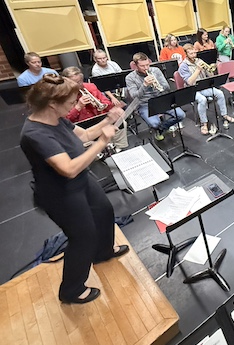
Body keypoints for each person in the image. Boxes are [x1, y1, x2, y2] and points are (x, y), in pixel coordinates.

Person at [19, 74, 129, 304]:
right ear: (52, 104)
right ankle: (71, 290)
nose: (74, 105)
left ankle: (104, 252)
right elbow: (67, 168)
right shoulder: (35, 134)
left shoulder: (57, 120)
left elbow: (86, 135)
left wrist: (108, 120)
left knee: (104, 212)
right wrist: (103, 143)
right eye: (70, 102)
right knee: (83, 237)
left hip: (81, 180)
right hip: (60, 193)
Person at [61, 67, 128, 150]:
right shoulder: (63, 96)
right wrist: (78, 107)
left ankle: (120, 148)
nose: (79, 84)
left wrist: (103, 104)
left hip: (98, 119)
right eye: (75, 82)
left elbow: (107, 102)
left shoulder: (90, 87)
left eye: (80, 81)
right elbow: (65, 120)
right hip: (81, 126)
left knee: (121, 122)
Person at [126, 52, 186, 141]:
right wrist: (145, 85)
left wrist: (157, 82)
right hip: (145, 104)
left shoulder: (155, 70)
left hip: (161, 100)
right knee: (155, 124)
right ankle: (159, 127)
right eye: (142, 66)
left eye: (147, 65)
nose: (146, 68)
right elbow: (135, 96)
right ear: (135, 65)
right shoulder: (130, 77)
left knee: (181, 115)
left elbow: (167, 87)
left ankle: (161, 129)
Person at [179, 44, 234, 134]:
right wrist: (198, 70)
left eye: (195, 53)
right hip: (191, 90)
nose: (194, 55)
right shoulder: (183, 66)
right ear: (186, 54)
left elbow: (209, 76)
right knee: (202, 100)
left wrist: (210, 71)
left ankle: (224, 114)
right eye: (191, 54)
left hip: (203, 86)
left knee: (220, 93)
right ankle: (204, 123)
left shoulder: (199, 60)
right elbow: (189, 82)